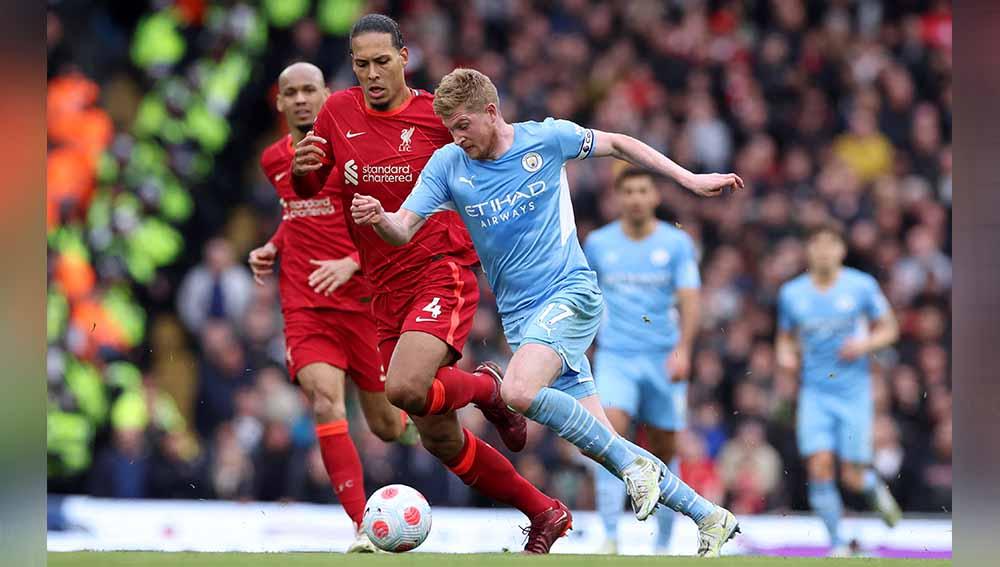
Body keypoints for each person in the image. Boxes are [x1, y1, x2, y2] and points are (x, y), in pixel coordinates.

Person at [353, 67, 742, 557]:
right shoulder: (448, 165)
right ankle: (709, 517)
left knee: (516, 391)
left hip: (570, 294)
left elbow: (620, 144)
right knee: (600, 443)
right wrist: (379, 219)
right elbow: (402, 229)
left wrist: (687, 178)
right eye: (450, 128)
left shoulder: (549, 138)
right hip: (524, 321)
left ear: (491, 113)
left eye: (463, 125)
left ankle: (636, 469)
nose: (457, 137)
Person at [287, 15, 570, 554]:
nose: (371, 73)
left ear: (403, 57)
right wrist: (304, 168)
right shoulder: (337, 111)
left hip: (440, 269)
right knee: (440, 437)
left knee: (403, 391)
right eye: (361, 64)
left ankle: (489, 387)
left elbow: (495, 151)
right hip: (383, 287)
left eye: (381, 61)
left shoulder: (436, 118)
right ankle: (544, 511)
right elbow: (311, 182)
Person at [247, 62, 417, 553]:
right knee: (324, 397)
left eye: (309, 90)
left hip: (364, 304)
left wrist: (350, 263)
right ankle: (363, 525)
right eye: (290, 93)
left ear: (327, 96)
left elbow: (392, 224)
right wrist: (275, 246)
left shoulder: (357, 153)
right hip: (306, 304)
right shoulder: (273, 159)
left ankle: (417, 422)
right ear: (279, 102)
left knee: (387, 426)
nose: (300, 99)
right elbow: (296, 214)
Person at [583, 167, 702, 554]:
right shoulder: (599, 244)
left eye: (642, 191)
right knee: (608, 437)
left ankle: (664, 542)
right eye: (628, 191)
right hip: (616, 356)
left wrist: (684, 349)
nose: (635, 198)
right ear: (619, 198)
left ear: (654, 197)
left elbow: (690, 299)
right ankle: (610, 535)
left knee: (665, 451)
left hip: (663, 359)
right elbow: (585, 298)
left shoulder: (676, 244)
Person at [775, 222, 903, 556]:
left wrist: (864, 344)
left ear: (841, 251)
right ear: (808, 251)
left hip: (853, 394)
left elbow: (890, 328)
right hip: (814, 394)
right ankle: (837, 544)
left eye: (830, 244)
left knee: (852, 476)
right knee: (818, 465)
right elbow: (785, 338)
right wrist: (786, 357)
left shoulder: (861, 286)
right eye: (817, 244)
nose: (823, 251)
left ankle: (874, 489)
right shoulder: (792, 293)